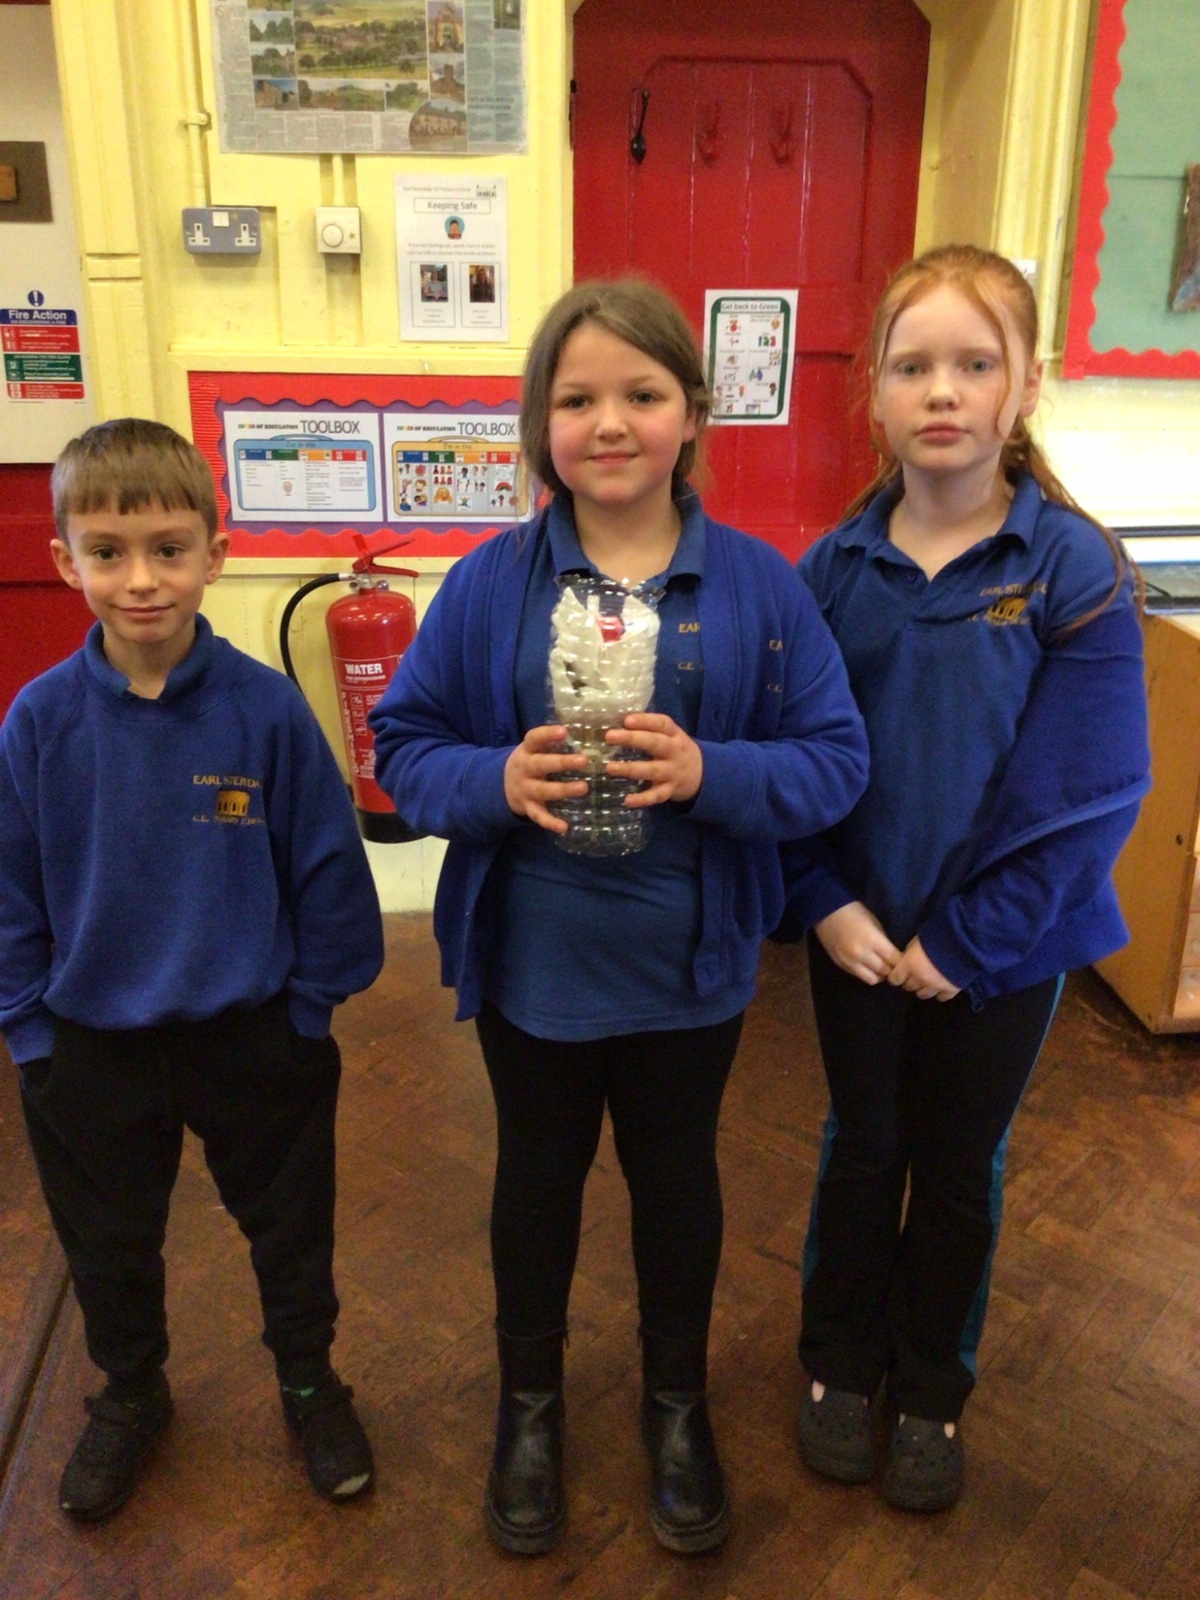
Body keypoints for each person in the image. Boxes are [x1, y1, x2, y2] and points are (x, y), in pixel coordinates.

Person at [369, 278, 868, 1554]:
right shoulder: (489, 585)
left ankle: (675, 1401)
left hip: (691, 966)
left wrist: (714, 771)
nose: (608, 422)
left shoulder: (758, 587)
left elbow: (835, 761)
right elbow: (404, 745)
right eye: (576, 397)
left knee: (675, 1182)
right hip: (532, 962)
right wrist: (492, 779)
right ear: (539, 423)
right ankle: (529, 1405)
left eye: (641, 394)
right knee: (536, 1181)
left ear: (692, 414)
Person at [784, 245, 1150, 1512]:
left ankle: (932, 1382)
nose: (942, 390)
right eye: (913, 366)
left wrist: (969, 941)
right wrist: (824, 899)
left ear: (1025, 385)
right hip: (858, 934)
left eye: (975, 363)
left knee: (955, 1162)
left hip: (1004, 951)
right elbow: (789, 761)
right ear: (876, 398)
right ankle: (839, 1362)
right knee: (861, 1143)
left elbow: (1089, 791)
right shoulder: (831, 573)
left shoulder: (1072, 569)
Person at [0, 419, 384, 1521]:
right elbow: (11, 887)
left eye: (168, 549)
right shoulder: (39, 722)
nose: (141, 580)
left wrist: (310, 1008)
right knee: (108, 1243)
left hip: (253, 1035)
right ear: (66, 560)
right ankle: (131, 1391)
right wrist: (29, 1030)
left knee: (291, 1230)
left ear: (214, 554)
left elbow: (325, 866)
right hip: (89, 1045)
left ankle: (308, 1380)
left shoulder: (265, 709)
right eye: (109, 552)